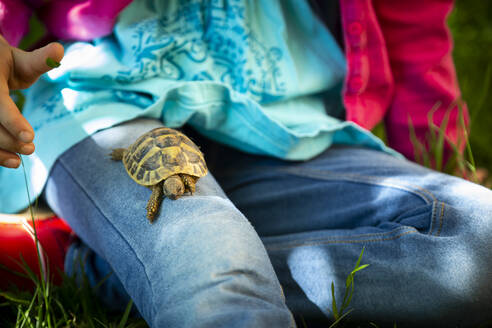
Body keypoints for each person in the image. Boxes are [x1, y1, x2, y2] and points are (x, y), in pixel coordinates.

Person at [1, 0, 491, 327]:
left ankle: (98, 264)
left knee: (478, 241)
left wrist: (441, 156)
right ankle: (185, 264)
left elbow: (414, 33)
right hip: (121, 104)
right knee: (207, 254)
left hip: (289, 128)